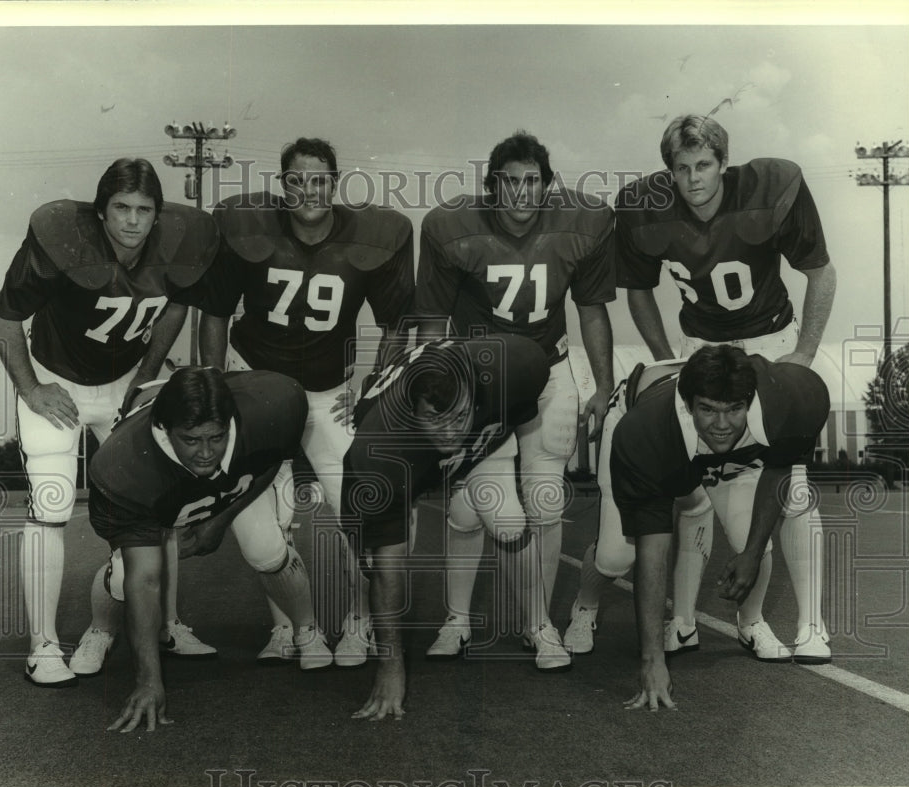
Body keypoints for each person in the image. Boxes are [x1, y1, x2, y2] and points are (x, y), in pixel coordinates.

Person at [564, 115, 834, 663]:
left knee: (791, 493)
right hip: (698, 351)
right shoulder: (645, 209)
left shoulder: (769, 189)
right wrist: (665, 357)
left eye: (704, 165)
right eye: (682, 168)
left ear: (723, 163)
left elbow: (821, 272)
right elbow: (637, 290)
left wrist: (803, 352)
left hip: (769, 343)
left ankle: (804, 625)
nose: (694, 179)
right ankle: (662, 619)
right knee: (680, 504)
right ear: (670, 172)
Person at [0, 158, 221, 687]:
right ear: (100, 212)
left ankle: (167, 623)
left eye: (144, 210)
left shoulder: (184, 244)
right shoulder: (61, 241)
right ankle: (43, 645)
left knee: (157, 504)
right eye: (121, 208)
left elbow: (176, 309)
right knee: (51, 501)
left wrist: (144, 378)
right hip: (58, 377)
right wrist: (31, 387)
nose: (133, 221)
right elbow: (2, 318)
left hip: (123, 380)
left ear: (158, 216)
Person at [197, 137, 415, 668]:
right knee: (269, 521)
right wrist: (217, 386)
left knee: (363, 511)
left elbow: (397, 323)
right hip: (257, 387)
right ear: (283, 185)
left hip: (326, 393)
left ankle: (360, 622)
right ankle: (290, 628)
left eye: (319, 180)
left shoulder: (372, 236)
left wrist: (373, 385)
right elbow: (216, 315)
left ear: (334, 185)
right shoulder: (248, 228)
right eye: (296, 180)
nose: (308, 190)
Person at [414, 131, 616, 669]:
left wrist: (603, 383)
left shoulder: (584, 223)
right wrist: (436, 393)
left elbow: (592, 307)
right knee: (464, 509)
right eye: (510, 182)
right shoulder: (448, 227)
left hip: (548, 371)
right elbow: (432, 321)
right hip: (477, 379)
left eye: (533, 182)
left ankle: (538, 624)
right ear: (492, 186)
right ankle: (456, 620)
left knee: (546, 500)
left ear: (548, 187)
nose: (522, 194)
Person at [88, 367, 331, 732]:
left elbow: (267, 459)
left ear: (231, 421)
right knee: (127, 576)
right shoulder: (122, 467)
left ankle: (308, 630)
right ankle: (99, 631)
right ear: (167, 430)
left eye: (216, 438)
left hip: (235, 470)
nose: (205, 453)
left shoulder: (277, 402)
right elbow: (147, 580)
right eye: (191, 440)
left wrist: (220, 519)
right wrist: (149, 681)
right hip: (159, 482)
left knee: (266, 548)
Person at [345, 334, 552, 720]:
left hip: (482, 433)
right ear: (413, 410)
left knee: (506, 521)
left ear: (476, 396)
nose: (449, 433)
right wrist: (392, 666)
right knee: (377, 559)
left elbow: (512, 410)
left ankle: (539, 624)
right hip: (404, 454)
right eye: (435, 419)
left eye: (457, 417)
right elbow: (389, 572)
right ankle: (360, 624)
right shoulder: (382, 447)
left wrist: (480, 438)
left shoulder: (520, 368)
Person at [614, 346, 830, 711]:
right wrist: (652, 660)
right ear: (688, 404)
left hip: (726, 454)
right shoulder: (643, 429)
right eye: (708, 409)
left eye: (734, 408)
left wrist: (751, 552)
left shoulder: (793, 397)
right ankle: (586, 606)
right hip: (646, 416)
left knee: (773, 516)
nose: (722, 423)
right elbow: (653, 544)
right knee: (614, 556)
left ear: (752, 401)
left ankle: (753, 623)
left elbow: (779, 467)